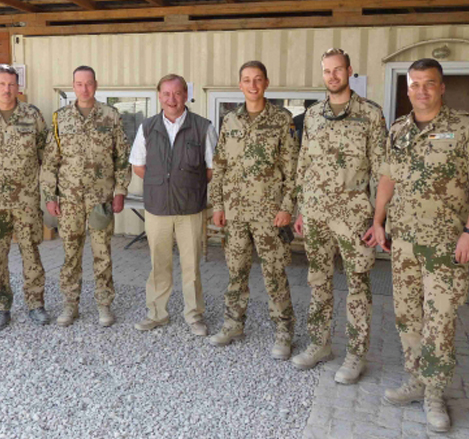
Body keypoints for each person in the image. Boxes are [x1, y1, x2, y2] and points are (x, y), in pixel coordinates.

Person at [365, 58, 469, 432]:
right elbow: (387, 178)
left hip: (445, 244)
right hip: (404, 241)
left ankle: (435, 393)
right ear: (407, 89)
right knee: (408, 316)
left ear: (442, 87)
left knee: (440, 319)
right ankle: (417, 379)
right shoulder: (398, 130)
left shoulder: (467, 127)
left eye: (429, 83)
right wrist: (378, 221)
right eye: (415, 84)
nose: (421, 90)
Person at [291, 49, 387, 382]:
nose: (332, 76)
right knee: (318, 280)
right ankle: (319, 344)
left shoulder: (370, 114)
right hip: (316, 214)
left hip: (354, 217)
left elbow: (382, 170)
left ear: (349, 71)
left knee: (358, 285)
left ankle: (356, 355)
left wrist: (378, 220)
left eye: (337, 70)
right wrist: (301, 208)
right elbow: (304, 164)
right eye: (326, 71)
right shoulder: (313, 115)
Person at [208, 61, 298, 360]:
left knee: (274, 273)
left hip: (269, 213)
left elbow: (292, 168)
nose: (252, 85)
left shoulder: (282, 120)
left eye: (258, 79)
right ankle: (233, 324)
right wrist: (218, 205)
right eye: (247, 80)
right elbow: (220, 165)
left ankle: (284, 332)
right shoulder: (230, 120)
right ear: (240, 85)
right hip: (235, 213)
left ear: (266, 83)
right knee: (236, 272)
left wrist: (287, 208)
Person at [42, 66, 131, 328]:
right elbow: (50, 161)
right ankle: (70, 304)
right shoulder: (60, 118)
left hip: (100, 199)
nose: (84, 88)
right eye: (79, 84)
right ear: (73, 86)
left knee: (102, 254)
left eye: (89, 83)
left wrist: (120, 191)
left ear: (96, 85)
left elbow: (122, 157)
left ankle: (104, 304)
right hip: (69, 200)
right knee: (71, 254)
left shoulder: (110, 116)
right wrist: (50, 195)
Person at [129, 74, 218, 336]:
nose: (172, 99)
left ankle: (194, 315)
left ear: (186, 95)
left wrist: (186, 184)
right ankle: (157, 314)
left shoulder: (202, 127)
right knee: (159, 263)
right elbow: (138, 165)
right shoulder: (147, 127)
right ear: (159, 96)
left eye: (177, 93)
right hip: (157, 208)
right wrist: (162, 183)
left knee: (191, 266)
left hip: (190, 209)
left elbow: (211, 169)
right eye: (166, 94)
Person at [0, 64, 49, 331]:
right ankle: (1, 307)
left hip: (26, 200)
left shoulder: (32, 115)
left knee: (31, 253)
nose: (7, 89)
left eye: (12, 84)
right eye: (2, 84)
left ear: (18, 87)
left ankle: (35, 304)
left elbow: (46, 155)